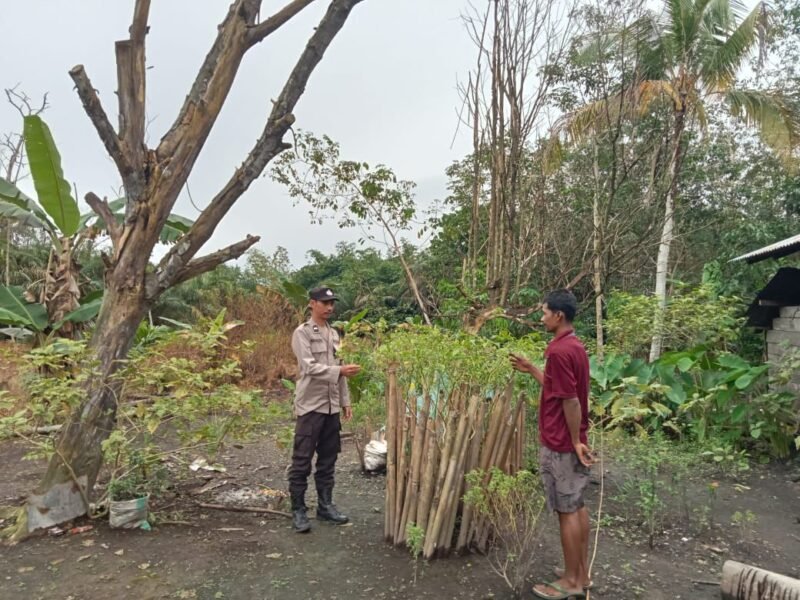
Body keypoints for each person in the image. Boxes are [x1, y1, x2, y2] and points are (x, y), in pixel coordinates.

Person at [510, 289, 594, 600]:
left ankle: (572, 582)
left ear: (558, 315)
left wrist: (573, 441)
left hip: (561, 441)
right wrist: (532, 369)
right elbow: (561, 388)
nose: (541, 317)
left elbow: (570, 401)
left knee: (566, 511)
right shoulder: (573, 346)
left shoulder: (559, 351)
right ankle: (580, 574)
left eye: (544, 312)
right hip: (570, 438)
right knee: (577, 506)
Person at [287, 286, 361, 533]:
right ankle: (298, 510)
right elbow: (308, 367)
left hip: (331, 408)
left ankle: (325, 506)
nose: (329, 307)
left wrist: (345, 401)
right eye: (324, 302)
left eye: (332, 303)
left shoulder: (336, 335)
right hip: (311, 406)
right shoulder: (303, 333)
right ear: (312, 304)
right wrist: (339, 371)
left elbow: (342, 371)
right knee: (301, 460)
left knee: (328, 459)